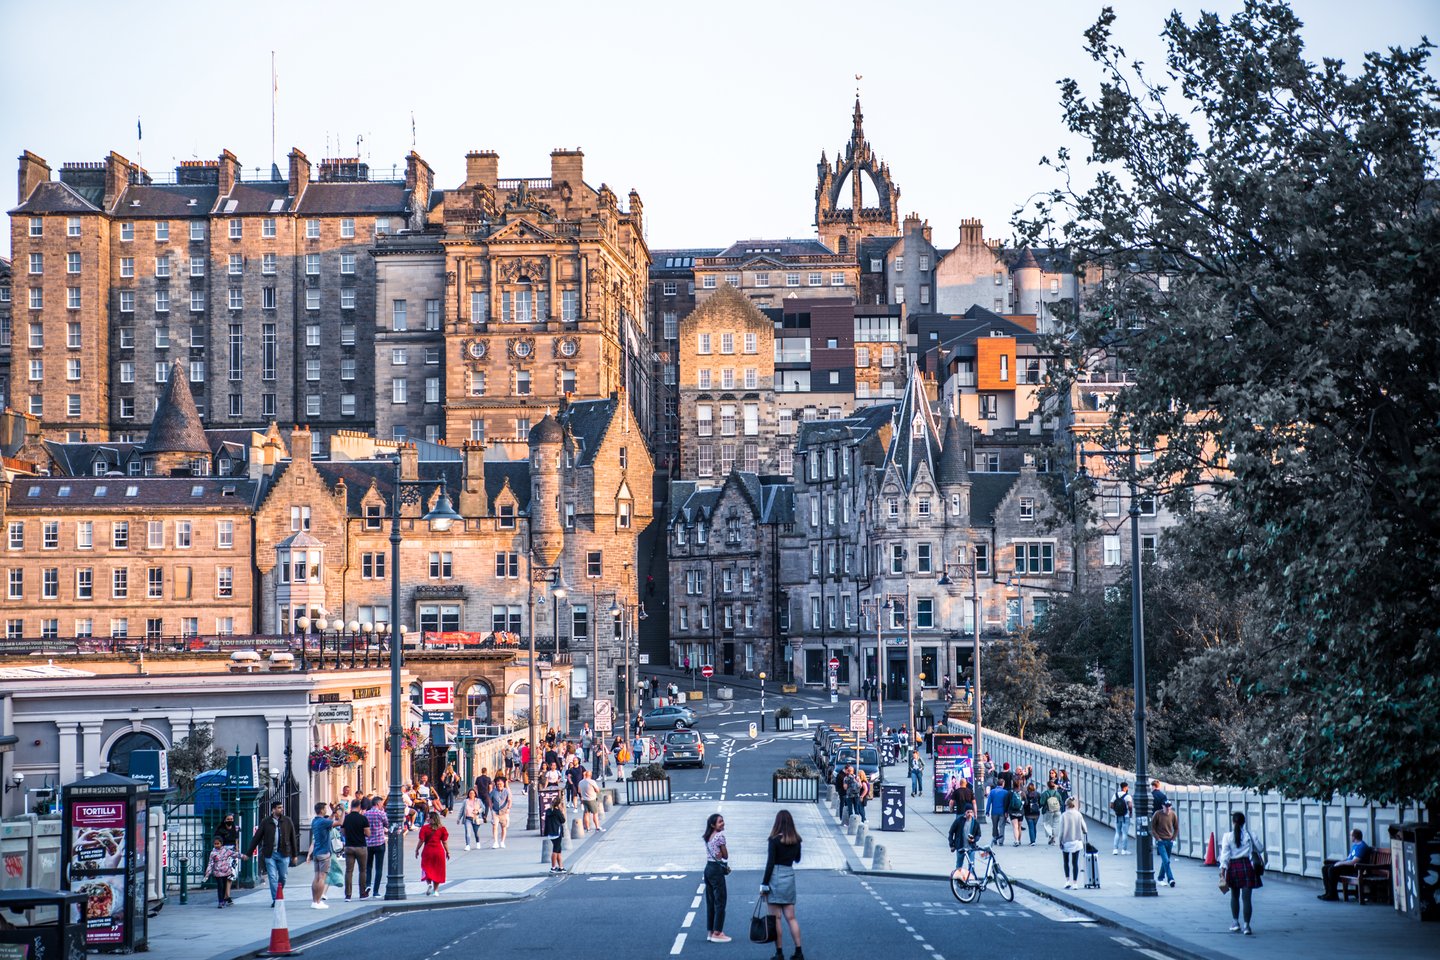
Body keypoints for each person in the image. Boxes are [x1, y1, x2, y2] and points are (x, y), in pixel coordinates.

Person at [761, 810, 804, 960]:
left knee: (776, 918)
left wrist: (764, 884)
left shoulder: (773, 840)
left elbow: (770, 863)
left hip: (775, 877)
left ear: (777, 822)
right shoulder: (797, 839)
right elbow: (797, 859)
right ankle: (799, 951)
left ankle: (779, 953)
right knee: (791, 917)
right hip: (789, 875)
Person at [1219, 811, 1265, 935]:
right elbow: (1261, 849)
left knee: (1234, 896)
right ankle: (1247, 926)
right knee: (1247, 899)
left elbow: (1225, 856)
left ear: (1233, 822)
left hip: (1233, 867)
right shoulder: (1250, 835)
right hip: (1248, 867)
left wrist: (1222, 872)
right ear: (1244, 823)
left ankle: (1235, 923)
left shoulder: (1227, 836)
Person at [245, 801, 299, 906]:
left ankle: (279, 892)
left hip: (284, 853)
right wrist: (249, 853)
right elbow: (257, 838)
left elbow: (293, 838)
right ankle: (276, 899)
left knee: (283, 876)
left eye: (282, 807)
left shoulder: (287, 821)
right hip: (270, 854)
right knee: (272, 877)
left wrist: (295, 855)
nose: (281, 809)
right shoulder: (266, 822)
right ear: (273, 809)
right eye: (279, 807)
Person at [701, 813, 731, 943]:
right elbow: (725, 856)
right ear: (713, 825)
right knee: (720, 901)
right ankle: (717, 932)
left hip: (708, 868)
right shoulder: (719, 836)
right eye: (720, 822)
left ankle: (710, 931)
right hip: (716, 870)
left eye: (723, 821)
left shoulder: (708, 837)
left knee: (711, 901)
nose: (723, 823)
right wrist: (722, 849)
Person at [1319, 828, 1371, 901]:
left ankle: (1333, 895)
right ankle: (1327, 893)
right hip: (1349, 865)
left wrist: (1340, 863)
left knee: (1332, 869)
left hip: (1354, 868)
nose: (1350, 837)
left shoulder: (1361, 846)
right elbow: (1348, 858)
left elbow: (1354, 861)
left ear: (1354, 837)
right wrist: (1339, 862)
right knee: (1325, 867)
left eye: (1350, 835)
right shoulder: (1355, 845)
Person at [340, 798, 370, 902]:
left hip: (349, 847)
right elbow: (368, 833)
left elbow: (343, 832)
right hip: (361, 846)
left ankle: (348, 895)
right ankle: (362, 893)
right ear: (359, 807)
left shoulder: (346, 819)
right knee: (362, 870)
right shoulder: (363, 818)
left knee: (349, 871)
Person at [414, 809, 450, 895]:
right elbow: (444, 842)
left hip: (428, 851)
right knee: (437, 870)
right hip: (439, 851)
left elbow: (421, 840)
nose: (427, 819)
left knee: (426, 868)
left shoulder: (424, 828)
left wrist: (417, 849)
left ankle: (429, 884)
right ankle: (436, 891)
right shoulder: (442, 829)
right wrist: (447, 852)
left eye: (428, 817)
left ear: (431, 819)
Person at [308, 801, 334, 909]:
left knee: (316, 877)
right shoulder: (323, 822)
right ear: (322, 810)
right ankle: (318, 901)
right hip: (324, 853)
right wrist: (341, 814)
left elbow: (329, 821)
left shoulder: (315, 821)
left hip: (317, 852)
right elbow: (340, 823)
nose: (326, 810)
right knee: (322, 878)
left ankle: (314, 901)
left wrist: (333, 812)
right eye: (325, 809)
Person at [1059, 797, 1088, 889]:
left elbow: (1061, 831)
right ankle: (1075, 883)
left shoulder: (1063, 815)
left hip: (1066, 841)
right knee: (1075, 862)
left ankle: (1067, 881)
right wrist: (1083, 831)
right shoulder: (1078, 814)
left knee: (1066, 861)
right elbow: (1085, 829)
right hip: (1077, 841)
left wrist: (1060, 841)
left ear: (1066, 805)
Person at [364, 793, 390, 898]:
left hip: (368, 843)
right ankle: (376, 891)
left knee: (368, 867)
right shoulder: (381, 814)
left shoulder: (366, 814)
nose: (382, 806)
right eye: (382, 804)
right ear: (378, 803)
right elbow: (387, 824)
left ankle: (367, 885)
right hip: (379, 843)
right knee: (379, 868)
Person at [203, 836, 239, 908]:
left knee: (224, 886)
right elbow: (210, 863)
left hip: (225, 872)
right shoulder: (213, 853)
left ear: (221, 843)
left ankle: (223, 900)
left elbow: (234, 854)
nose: (216, 845)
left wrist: (244, 856)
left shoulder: (226, 850)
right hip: (217, 872)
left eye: (218, 843)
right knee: (220, 886)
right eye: (215, 844)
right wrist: (207, 873)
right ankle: (220, 901)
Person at [1151, 800, 1178, 888]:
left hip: (1169, 841)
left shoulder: (1173, 814)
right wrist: (1158, 838)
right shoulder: (1157, 814)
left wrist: (1173, 839)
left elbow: (1176, 828)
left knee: (1165, 862)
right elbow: (1152, 827)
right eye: (1166, 806)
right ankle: (1171, 879)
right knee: (1166, 861)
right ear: (1162, 806)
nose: (1168, 808)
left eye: (1169, 806)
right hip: (1161, 841)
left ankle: (1160, 878)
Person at [543, 795, 566, 874]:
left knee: (559, 849)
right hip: (557, 832)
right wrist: (562, 812)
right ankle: (553, 867)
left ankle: (561, 867)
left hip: (550, 832)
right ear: (559, 804)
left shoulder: (548, 811)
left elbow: (546, 821)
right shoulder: (557, 811)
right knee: (555, 850)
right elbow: (563, 820)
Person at [1111, 781, 1134, 855]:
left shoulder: (1115, 795)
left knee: (1117, 832)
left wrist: (1116, 810)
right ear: (1126, 787)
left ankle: (1115, 849)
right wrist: (1130, 812)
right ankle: (1124, 850)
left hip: (1117, 816)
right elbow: (1130, 806)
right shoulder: (1128, 796)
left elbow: (1111, 805)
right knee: (1124, 833)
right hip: (1125, 816)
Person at [984, 780, 1010, 845]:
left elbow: (989, 802)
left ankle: (995, 838)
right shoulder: (1005, 792)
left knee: (994, 826)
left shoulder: (992, 792)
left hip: (994, 812)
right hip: (1002, 812)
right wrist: (1007, 812)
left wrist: (987, 811)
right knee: (1002, 826)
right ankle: (1001, 841)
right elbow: (1007, 803)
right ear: (1003, 784)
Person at [1039, 779, 1064, 845]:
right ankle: (1054, 838)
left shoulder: (1045, 793)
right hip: (1057, 810)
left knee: (1047, 823)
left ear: (1048, 786)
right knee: (1056, 824)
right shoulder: (1057, 793)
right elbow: (1061, 802)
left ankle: (1050, 835)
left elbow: (1041, 802)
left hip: (1048, 810)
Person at [489, 776, 512, 848]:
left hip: (504, 812)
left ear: (503, 784)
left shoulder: (506, 791)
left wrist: (508, 808)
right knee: (495, 826)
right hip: (495, 811)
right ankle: (495, 842)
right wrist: (491, 807)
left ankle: (502, 841)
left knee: (503, 827)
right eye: (498, 784)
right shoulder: (493, 791)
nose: (499, 786)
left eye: (501, 784)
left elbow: (509, 800)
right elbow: (490, 799)